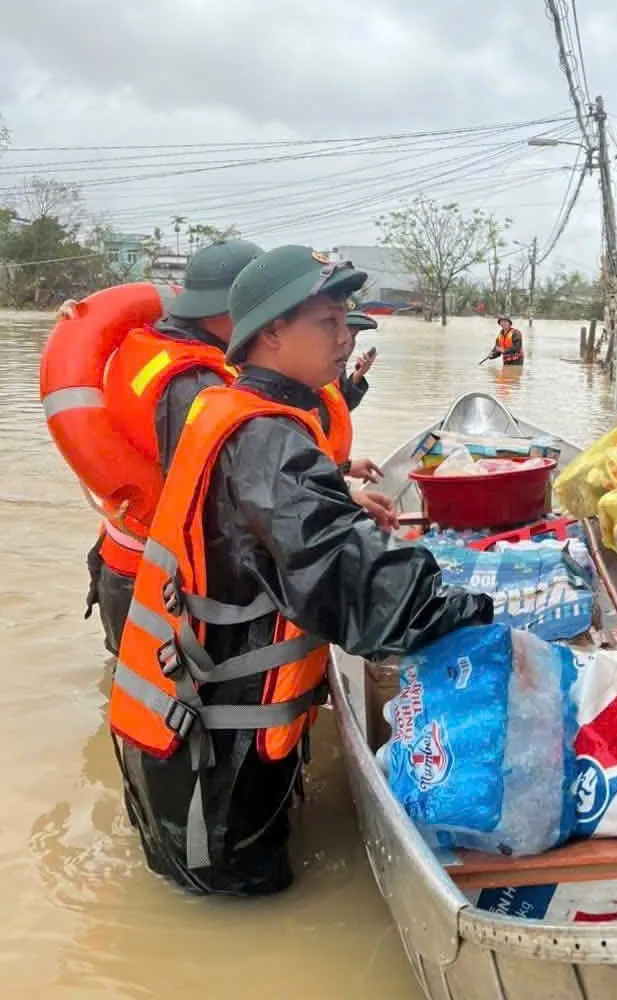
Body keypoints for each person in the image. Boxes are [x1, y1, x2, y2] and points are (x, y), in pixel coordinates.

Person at [108, 245, 493, 896]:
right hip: (214, 758)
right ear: (271, 333)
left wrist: (340, 497)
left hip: (189, 726)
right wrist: (475, 606)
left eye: (346, 321)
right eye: (327, 323)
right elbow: (351, 586)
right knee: (243, 907)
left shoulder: (238, 413)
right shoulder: (266, 438)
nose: (346, 338)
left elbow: (269, 524)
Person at [83, 238, 263, 654]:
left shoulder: (145, 346)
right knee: (162, 693)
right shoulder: (196, 382)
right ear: (230, 310)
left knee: (128, 685)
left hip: (120, 561)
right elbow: (224, 501)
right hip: (155, 583)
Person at [338, 309, 378, 412]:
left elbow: (341, 406)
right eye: (348, 336)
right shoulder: (310, 374)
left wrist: (356, 377)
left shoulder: (337, 369)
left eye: (354, 336)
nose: (351, 344)